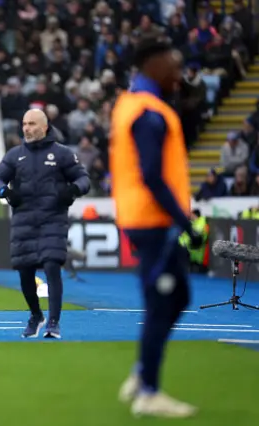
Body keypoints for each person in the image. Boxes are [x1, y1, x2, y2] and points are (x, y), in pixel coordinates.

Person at [110, 37, 201, 418]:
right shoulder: (148, 112)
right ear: (152, 64)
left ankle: (143, 373)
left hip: (143, 218)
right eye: (172, 64)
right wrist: (186, 223)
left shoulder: (132, 103)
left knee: (173, 298)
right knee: (163, 300)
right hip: (153, 221)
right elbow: (151, 174)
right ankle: (148, 391)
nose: (178, 72)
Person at [0, 109, 90, 339]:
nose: (26, 128)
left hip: (52, 219)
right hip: (23, 221)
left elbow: (83, 178)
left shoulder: (62, 154)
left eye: (32, 123)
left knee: (52, 266)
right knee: (25, 271)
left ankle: (53, 323)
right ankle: (36, 315)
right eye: (24, 123)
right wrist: (4, 191)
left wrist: (73, 190)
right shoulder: (14, 155)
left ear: (45, 127)